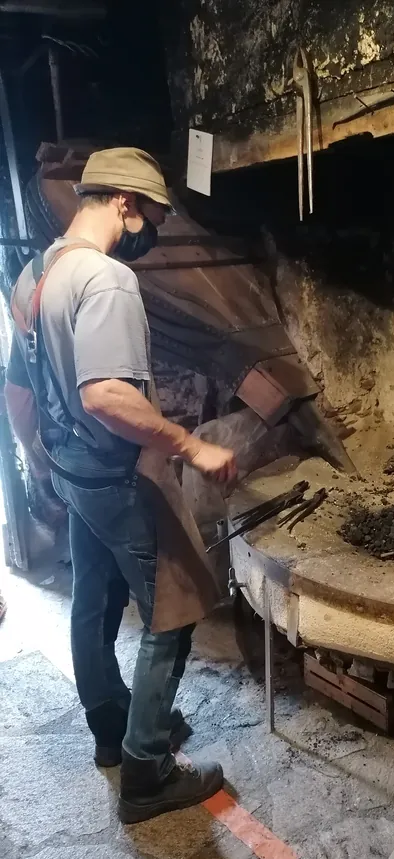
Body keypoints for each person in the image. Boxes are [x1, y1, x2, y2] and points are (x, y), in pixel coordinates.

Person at [4, 148, 237, 823]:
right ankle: (147, 769)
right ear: (124, 204)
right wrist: (192, 444)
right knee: (174, 610)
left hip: (72, 469)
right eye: (149, 220)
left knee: (93, 600)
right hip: (113, 473)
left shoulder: (34, 274)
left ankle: (111, 730)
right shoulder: (105, 280)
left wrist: (40, 460)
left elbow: (17, 390)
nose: (147, 236)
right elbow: (107, 394)